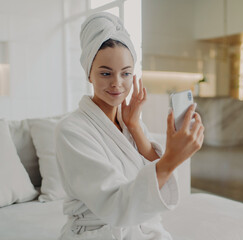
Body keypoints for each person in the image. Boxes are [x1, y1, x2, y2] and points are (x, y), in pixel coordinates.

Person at [55, 12, 204, 240]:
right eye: (105, 73)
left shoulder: (131, 123)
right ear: (89, 74)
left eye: (126, 73)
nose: (117, 83)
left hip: (143, 229)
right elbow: (117, 205)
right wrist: (172, 158)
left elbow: (156, 179)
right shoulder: (71, 130)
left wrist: (134, 126)